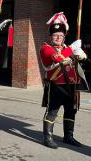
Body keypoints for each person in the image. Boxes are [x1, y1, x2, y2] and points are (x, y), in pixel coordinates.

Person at [40, 12, 87, 149]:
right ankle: (48, 137)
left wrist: (80, 55)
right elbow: (57, 58)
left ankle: (68, 136)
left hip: (72, 86)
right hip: (56, 85)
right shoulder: (46, 48)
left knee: (71, 111)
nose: (58, 38)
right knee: (52, 111)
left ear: (64, 36)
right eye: (55, 35)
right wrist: (72, 48)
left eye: (61, 35)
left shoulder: (67, 48)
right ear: (50, 36)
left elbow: (81, 60)